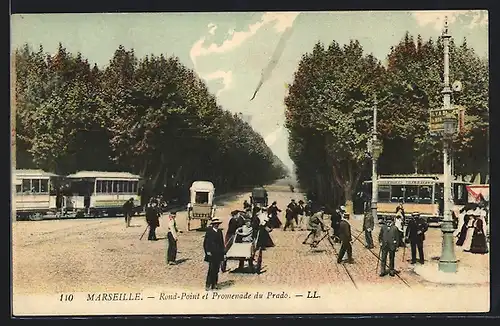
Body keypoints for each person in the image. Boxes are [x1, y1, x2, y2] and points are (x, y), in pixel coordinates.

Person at [203, 218, 225, 291]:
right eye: (215, 224)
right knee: (211, 269)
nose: (217, 225)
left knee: (216, 270)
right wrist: (207, 251)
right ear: (213, 224)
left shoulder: (219, 232)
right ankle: (208, 284)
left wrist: (223, 253)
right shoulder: (209, 232)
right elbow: (205, 243)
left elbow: (222, 243)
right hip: (211, 253)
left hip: (218, 253)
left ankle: (214, 284)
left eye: (218, 224)